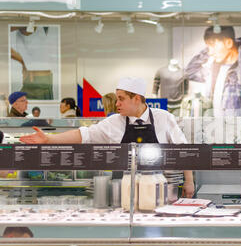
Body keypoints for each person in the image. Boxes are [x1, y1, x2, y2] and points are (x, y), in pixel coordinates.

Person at [20, 77, 195, 197]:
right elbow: (83, 134)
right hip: (126, 192)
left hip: (161, 190)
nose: (117, 103)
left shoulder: (164, 117)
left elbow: (184, 150)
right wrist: (49, 139)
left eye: (121, 99)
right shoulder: (114, 122)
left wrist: (189, 181)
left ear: (137, 98)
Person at [185, 26, 241, 117]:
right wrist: (207, 50)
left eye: (213, 46)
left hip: (236, 127)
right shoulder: (214, 68)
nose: (210, 52)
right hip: (215, 126)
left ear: (229, 43)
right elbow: (190, 72)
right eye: (208, 47)